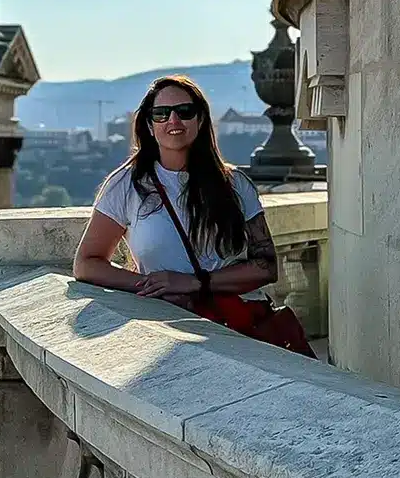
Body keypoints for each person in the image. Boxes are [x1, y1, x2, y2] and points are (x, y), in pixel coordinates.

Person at [74, 74, 280, 318]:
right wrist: (155, 285)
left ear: (201, 119)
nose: (173, 120)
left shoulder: (235, 184)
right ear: (149, 125)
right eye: (161, 113)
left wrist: (195, 282)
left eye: (184, 111)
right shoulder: (126, 185)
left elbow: (267, 266)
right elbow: (86, 263)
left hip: (238, 323)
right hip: (168, 321)